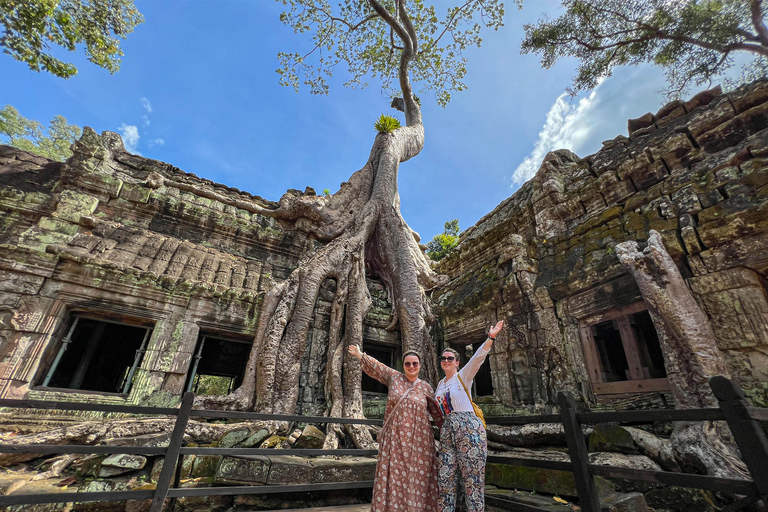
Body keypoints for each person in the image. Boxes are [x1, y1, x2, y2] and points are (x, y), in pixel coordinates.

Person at [348, 344, 440, 512]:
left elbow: (438, 413)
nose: (411, 367)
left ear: (420, 365)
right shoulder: (394, 378)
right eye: (407, 364)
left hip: (419, 442)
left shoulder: (426, 387)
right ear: (403, 365)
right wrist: (360, 355)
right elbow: (379, 368)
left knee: (417, 477)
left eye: (415, 364)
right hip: (394, 439)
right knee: (395, 476)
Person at [435, 320, 504, 512]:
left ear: (457, 362)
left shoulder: (463, 376)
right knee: (445, 478)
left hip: (469, 429)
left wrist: (491, 337)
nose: (446, 361)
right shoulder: (440, 385)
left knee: (472, 480)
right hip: (447, 431)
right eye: (443, 358)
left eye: (450, 358)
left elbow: (478, 357)